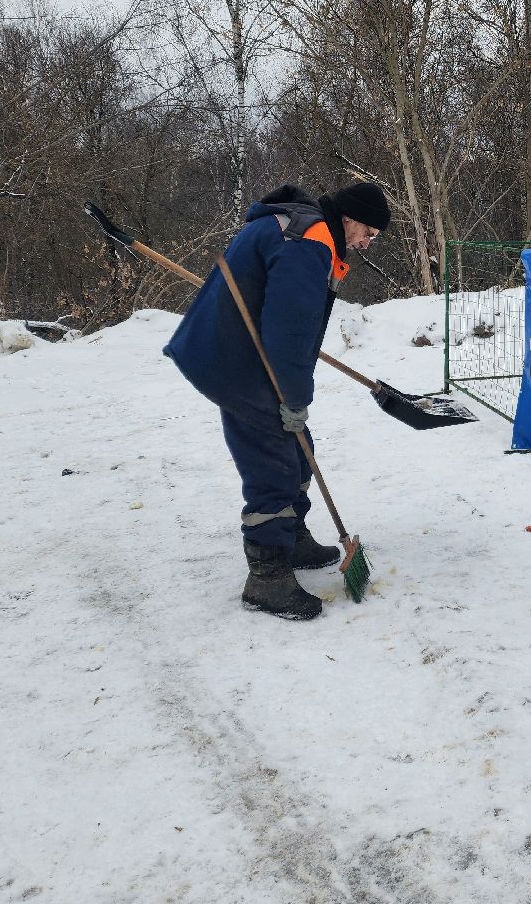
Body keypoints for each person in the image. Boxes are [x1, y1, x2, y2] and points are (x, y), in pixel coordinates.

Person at [164, 181, 391, 620]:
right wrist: (294, 397)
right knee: (274, 463)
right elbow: (289, 332)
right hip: (237, 361)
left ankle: (291, 537)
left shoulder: (298, 227)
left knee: (299, 451)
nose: (367, 243)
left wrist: (293, 396)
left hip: (243, 351)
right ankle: (267, 579)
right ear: (350, 218)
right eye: (369, 233)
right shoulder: (309, 240)